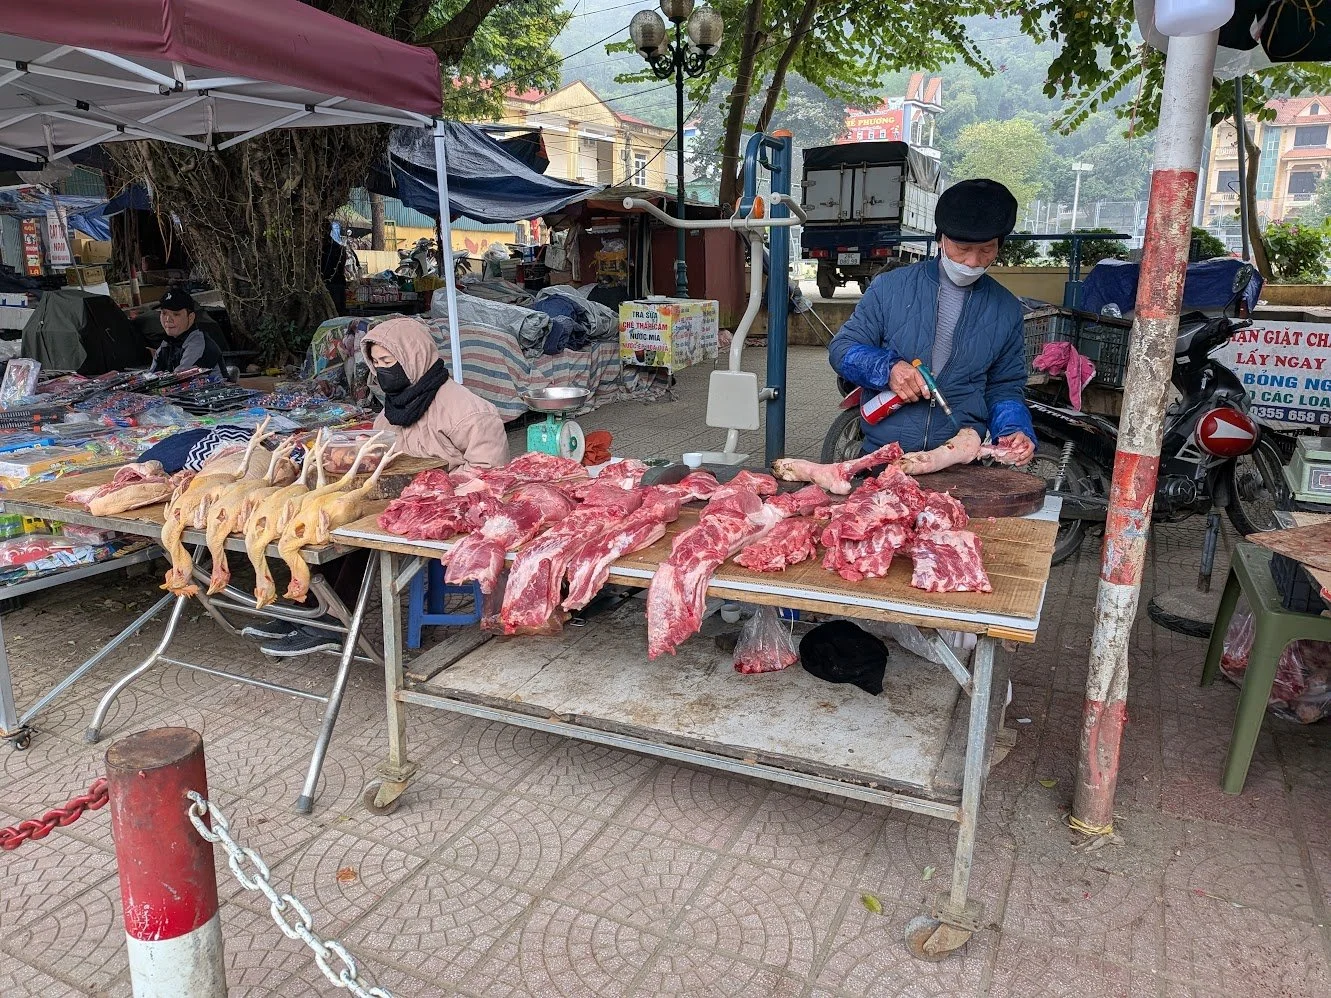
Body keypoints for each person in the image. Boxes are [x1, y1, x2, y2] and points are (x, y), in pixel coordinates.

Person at [247, 316, 509, 657]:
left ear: (413, 357)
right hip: (399, 499)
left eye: (390, 361)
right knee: (331, 521)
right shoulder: (394, 408)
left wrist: (438, 490)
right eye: (378, 363)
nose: (383, 371)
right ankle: (307, 609)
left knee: (362, 538)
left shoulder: (467, 410)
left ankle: (331, 624)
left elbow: (492, 471)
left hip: (453, 507)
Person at [827, 178, 1036, 465]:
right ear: (940, 238)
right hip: (883, 457)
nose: (973, 261)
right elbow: (843, 349)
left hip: (957, 460)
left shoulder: (1007, 309)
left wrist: (1013, 428)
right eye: (962, 248)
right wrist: (887, 369)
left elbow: (1005, 384)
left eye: (986, 250)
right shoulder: (890, 288)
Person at [151, 287, 225, 375]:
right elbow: (151, 376)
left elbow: (179, 378)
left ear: (191, 317)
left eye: (176, 314)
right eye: (164, 313)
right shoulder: (167, 343)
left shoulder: (198, 343)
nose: (168, 319)